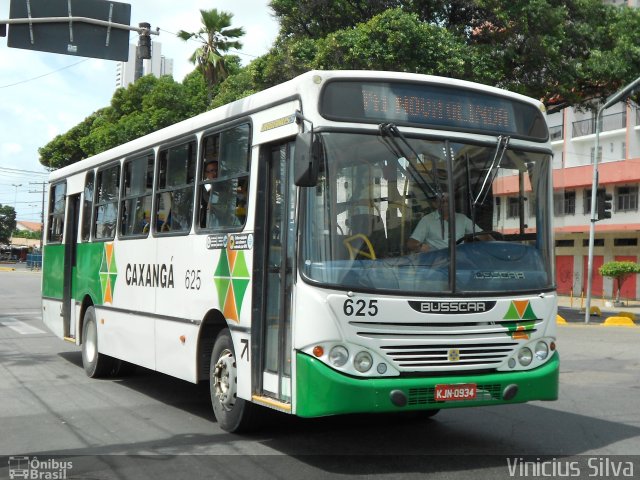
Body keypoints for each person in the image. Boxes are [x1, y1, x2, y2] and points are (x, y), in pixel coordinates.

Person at [407, 193, 488, 253]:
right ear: (435, 204)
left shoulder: (462, 218)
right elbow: (411, 243)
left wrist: (495, 245)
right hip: (437, 263)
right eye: (442, 201)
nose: (446, 204)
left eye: (448, 201)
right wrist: (420, 247)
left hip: (459, 261)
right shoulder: (427, 220)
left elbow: (482, 235)